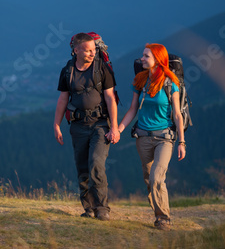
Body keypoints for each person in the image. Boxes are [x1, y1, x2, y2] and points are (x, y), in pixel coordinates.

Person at [118, 43, 186, 231]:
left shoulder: (171, 82)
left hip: (164, 138)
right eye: (143, 55)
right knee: (149, 179)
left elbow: (178, 114)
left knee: (157, 177)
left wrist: (181, 142)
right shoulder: (139, 80)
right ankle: (159, 212)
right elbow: (133, 109)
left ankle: (163, 219)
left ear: (158, 59)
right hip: (143, 139)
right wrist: (119, 129)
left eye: (146, 56)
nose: (142, 59)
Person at [53, 32, 120, 221]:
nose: (92, 53)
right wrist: (56, 124)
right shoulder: (68, 71)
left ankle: (102, 208)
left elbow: (110, 98)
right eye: (88, 50)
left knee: (96, 164)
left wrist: (114, 128)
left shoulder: (102, 69)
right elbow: (63, 99)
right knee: (82, 167)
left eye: (94, 50)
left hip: (100, 125)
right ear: (76, 50)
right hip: (78, 126)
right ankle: (89, 208)